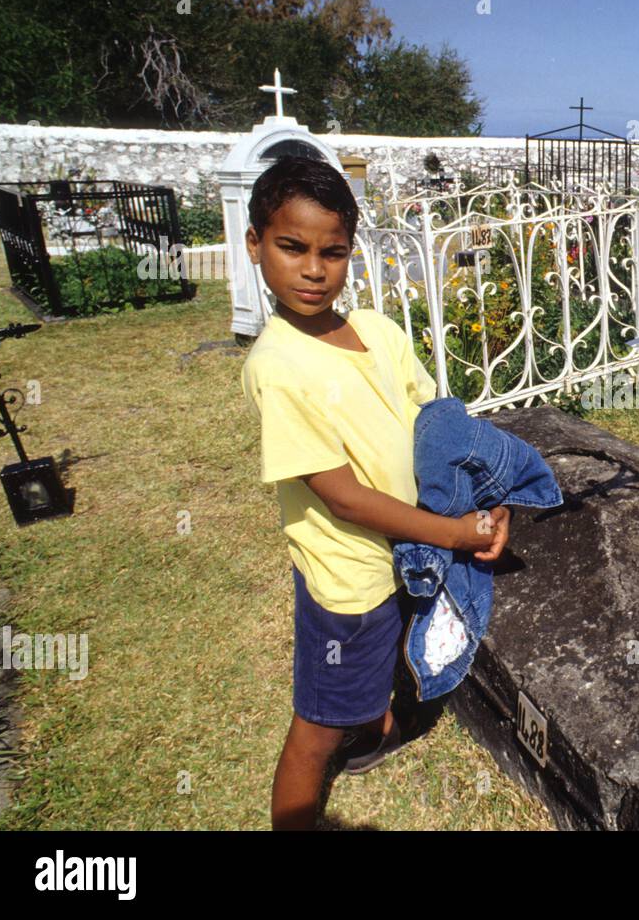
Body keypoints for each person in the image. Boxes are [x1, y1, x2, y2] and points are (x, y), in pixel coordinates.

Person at [238, 156, 511, 830]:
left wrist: (484, 488)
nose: (312, 269)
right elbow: (343, 498)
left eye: (331, 252)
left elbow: (435, 425)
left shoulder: (381, 335)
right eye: (291, 247)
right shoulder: (279, 367)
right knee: (318, 724)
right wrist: (452, 532)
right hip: (351, 577)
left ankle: (375, 725)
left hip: (405, 552)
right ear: (254, 245)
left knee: (390, 656)